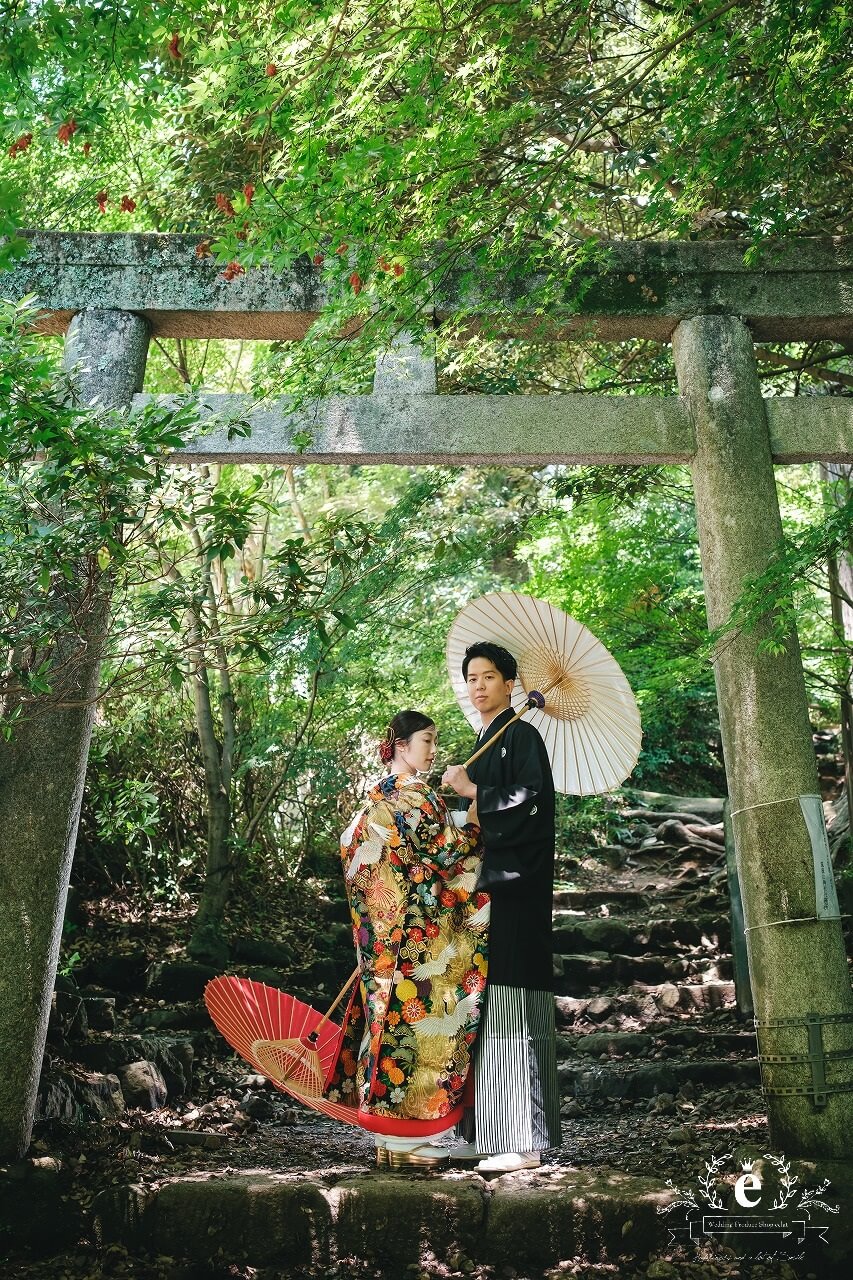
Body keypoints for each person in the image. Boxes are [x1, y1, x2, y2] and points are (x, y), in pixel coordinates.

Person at [324, 710, 490, 1169]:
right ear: (400, 745)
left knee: (388, 1025)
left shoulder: (377, 795)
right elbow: (451, 855)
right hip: (418, 936)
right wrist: (474, 819)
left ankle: (389, 1141)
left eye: (435, 741)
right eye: (426, 740)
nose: (432, 750)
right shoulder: (415, 796)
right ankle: (410, 1137)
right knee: (422, 1027)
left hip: (382, 936)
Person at [442, 642, 562, 1173]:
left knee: (515, 1002)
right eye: (472, 677)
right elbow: (478, 815)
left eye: (489, 676)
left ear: (510, 683)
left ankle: (525, 1138)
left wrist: (476, 792)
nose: (478, 685)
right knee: (485, 1006)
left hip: (518, 889)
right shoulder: (488, 738)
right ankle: (484, 1130)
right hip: (488, 890)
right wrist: (460, 809)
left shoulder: (524, 736)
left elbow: (532, 804)